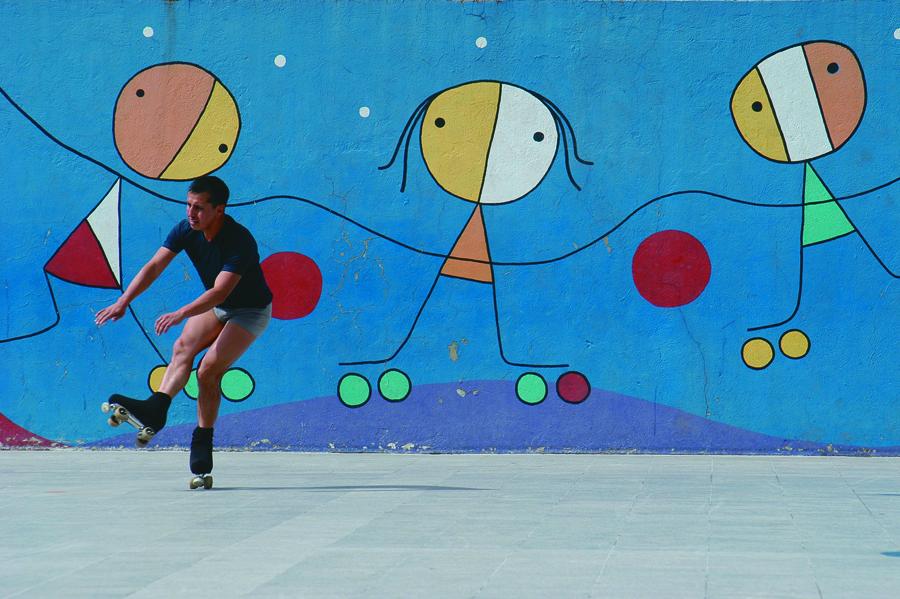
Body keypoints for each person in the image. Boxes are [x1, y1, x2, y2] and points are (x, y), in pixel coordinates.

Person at [95, 175, 273, 478]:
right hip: (218, 307)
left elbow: (220, 292)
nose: (191, 213)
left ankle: (203, 439)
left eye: (199, 208)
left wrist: (179, 314)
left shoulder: (239, 240)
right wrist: (124, 300)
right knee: (182, 347)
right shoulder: (186, 229)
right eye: (188, 205)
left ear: (220, 209)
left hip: (249, 311)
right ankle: (157, 408)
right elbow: (154, 266)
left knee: (207, 371)